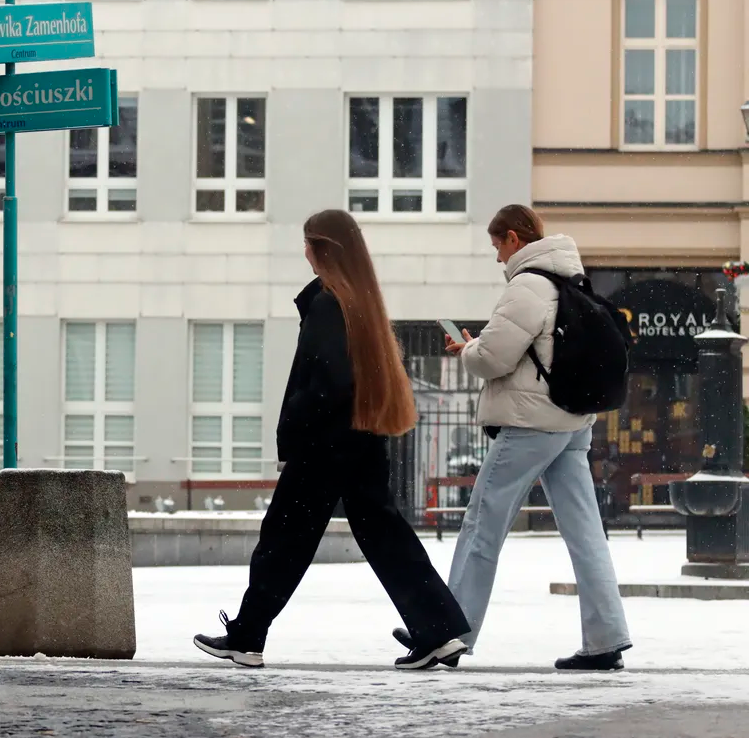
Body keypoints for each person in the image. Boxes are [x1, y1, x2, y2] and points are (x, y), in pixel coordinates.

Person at [194, 209, 471, 670]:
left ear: (321, 249)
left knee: (284, 539)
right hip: (361, 439)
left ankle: (247, 637)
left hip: (325, 444)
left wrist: (297, 425)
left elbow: (328, 380)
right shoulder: (361, 300)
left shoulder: (328, 303)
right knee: (386, 537)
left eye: (307, 243)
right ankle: (437, 631)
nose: (303, 250)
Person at [392, 204, 632, 671]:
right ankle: (606, 638)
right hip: (573, 423)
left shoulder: (528, 285)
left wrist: (469, 351)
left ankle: (447, 632)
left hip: (532, 424)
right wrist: (480, 348)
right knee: (585, 533)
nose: (498, 258)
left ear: (515, 239)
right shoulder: (572, 282)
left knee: (482, 522)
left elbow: (494, 361)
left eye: (497, 246)